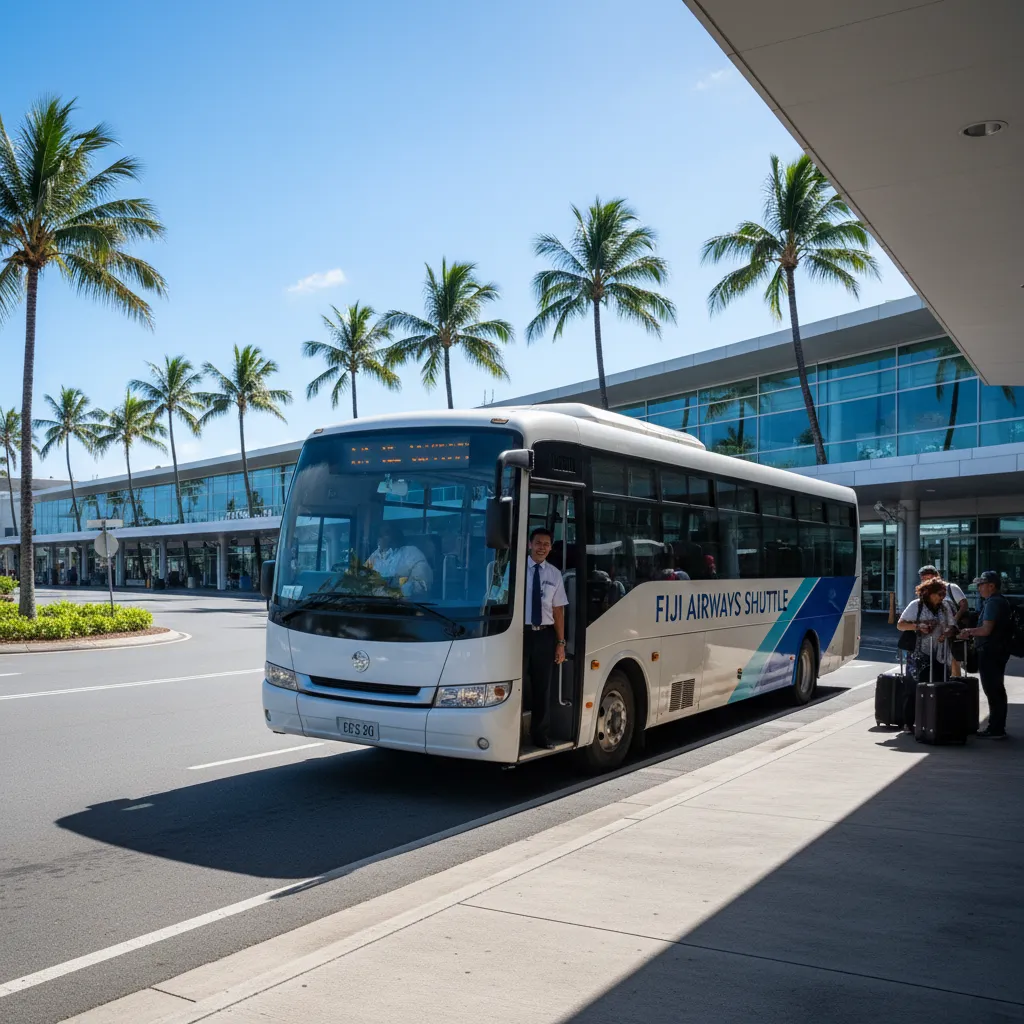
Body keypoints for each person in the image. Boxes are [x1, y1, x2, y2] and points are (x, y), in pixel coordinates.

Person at [522, 527, 568, 750]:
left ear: (551, 548)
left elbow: (558, 610)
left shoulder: (554, 574)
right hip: (519, 635)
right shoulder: (515, 570)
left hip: (544, 635)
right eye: (538, 543)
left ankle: (540, 735)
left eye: (546, 544)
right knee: (518, 684)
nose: (542, 547)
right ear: (529, 544)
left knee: (543, 688)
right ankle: (512, 734)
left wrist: (560, 643)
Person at [896, 577, 958, 734]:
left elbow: (952, 625)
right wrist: (919, 626)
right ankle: (909, 724)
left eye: (944, 594)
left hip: (939, 653)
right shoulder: (915, 605)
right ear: (928, 593)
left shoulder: (945, 607)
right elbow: (900, 624)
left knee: (938, 686)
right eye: (939, 593)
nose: (942, 597)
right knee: (913, 688)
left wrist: (947, 632)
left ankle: (933, 721)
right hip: (918, 655)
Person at [959, 570, 1010, 739]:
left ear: (991, 586)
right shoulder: (996, 601)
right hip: (996, 651)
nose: (979, 588)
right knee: (995, 690)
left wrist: (968, 631)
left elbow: (986, 630)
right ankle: (996, 727)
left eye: (981, 585)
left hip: (991, 652)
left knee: (993, 690)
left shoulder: (993, 603)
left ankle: (996, 729)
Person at [919, 564, 968, 675]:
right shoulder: (925, 592)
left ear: (937, 576)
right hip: (935, 633)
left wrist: (952, 622)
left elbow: (964, 605)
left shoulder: (951, 587)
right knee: (938, 662)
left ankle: (955, 686)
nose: (926, 581)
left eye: (929, 578)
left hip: (952, 632)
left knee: (953, 661)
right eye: (923, 579)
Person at [365, 522, 432, 598]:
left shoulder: (412, 554)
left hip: (402, 606)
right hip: (372, 605)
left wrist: (395, 584)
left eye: (386, 533)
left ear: (396, 534)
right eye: (380, 535)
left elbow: (423, 586)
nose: (382, 538)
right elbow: (361, 579)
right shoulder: (374, 556)